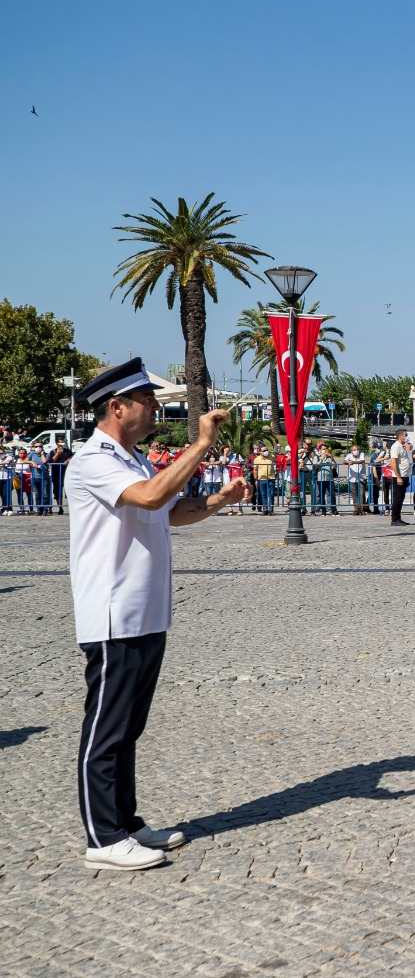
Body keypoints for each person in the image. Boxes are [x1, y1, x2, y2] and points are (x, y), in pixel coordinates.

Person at [63, 359, 249, 870]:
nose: (155, 408)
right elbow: (149, 496)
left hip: (146, 611)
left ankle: (126, 823)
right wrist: (201, 445)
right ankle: (102, 839)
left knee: (129, 728)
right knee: (105, 730)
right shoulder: (94, 459)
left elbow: (168, 511)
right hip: (112, 613)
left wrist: (217, 499)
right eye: (147, 401)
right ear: (116, 407)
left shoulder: (134, 458)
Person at [387, 431, 411, 526]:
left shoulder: (402, 447)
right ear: (400, 437)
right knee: (397, 498)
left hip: (404, 475)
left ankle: (398, 517)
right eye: (405, 435)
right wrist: (398, 477)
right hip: (399, 476)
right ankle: (394, 519)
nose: (407, 436)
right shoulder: (396, 447)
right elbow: (393, 462)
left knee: (401, 498)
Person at [251, 444, 276, 515]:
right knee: (263, 495)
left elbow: (277, 460)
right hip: (262, 479)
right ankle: (264, 509)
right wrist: (256, 479)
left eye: (267, 450)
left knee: (271, 494)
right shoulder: (257, 459)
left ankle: (271, 509)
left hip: (271, 478)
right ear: (260, 452)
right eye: (264, 450)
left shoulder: (271, 456)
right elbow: (255, 470)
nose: (266, 451)